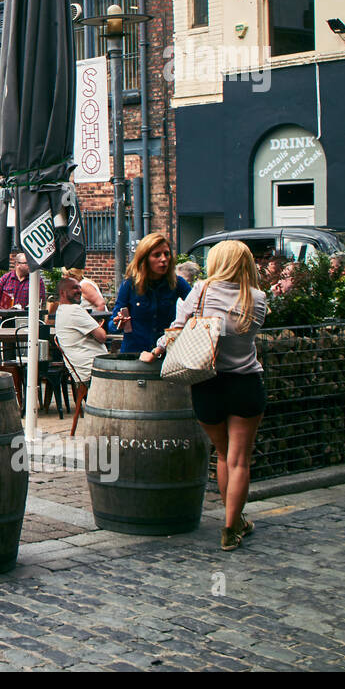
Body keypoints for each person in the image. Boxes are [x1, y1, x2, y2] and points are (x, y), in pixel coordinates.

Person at [142, 240, 268, 552]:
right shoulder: (257, 298)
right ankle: (230, 525)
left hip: (207, 383)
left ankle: (234, 521)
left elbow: (177, 328)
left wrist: (157, 349)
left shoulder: (202, 290)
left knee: (222, 456)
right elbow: (246, 334)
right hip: (246, 383)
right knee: (240, 459)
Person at [111, 232, 191, 354]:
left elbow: (197, 306)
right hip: (135, 356)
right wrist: (118, 323)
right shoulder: (129, 285)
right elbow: (112, 325)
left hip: (166, 355)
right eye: (157, 255)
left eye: (166, 254)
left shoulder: (177, 283)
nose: (163, 259)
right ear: (145, 259)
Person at [53, 278, 108, 384]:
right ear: (62, 293)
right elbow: (102, 337)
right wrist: (97, 326)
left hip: (81, 372)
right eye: (74, 288)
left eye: (79, 287)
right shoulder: (74, 310)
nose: (79, 291)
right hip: (93, 372)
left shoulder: (61, 310)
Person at [0, 253, 46, 328]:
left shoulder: (36, 280)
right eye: (27, 263)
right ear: (17, 264)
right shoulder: (5, 278)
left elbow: (41, 301)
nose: (30, 265)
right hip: (3, 317)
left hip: (26, 317)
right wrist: (1, 311)